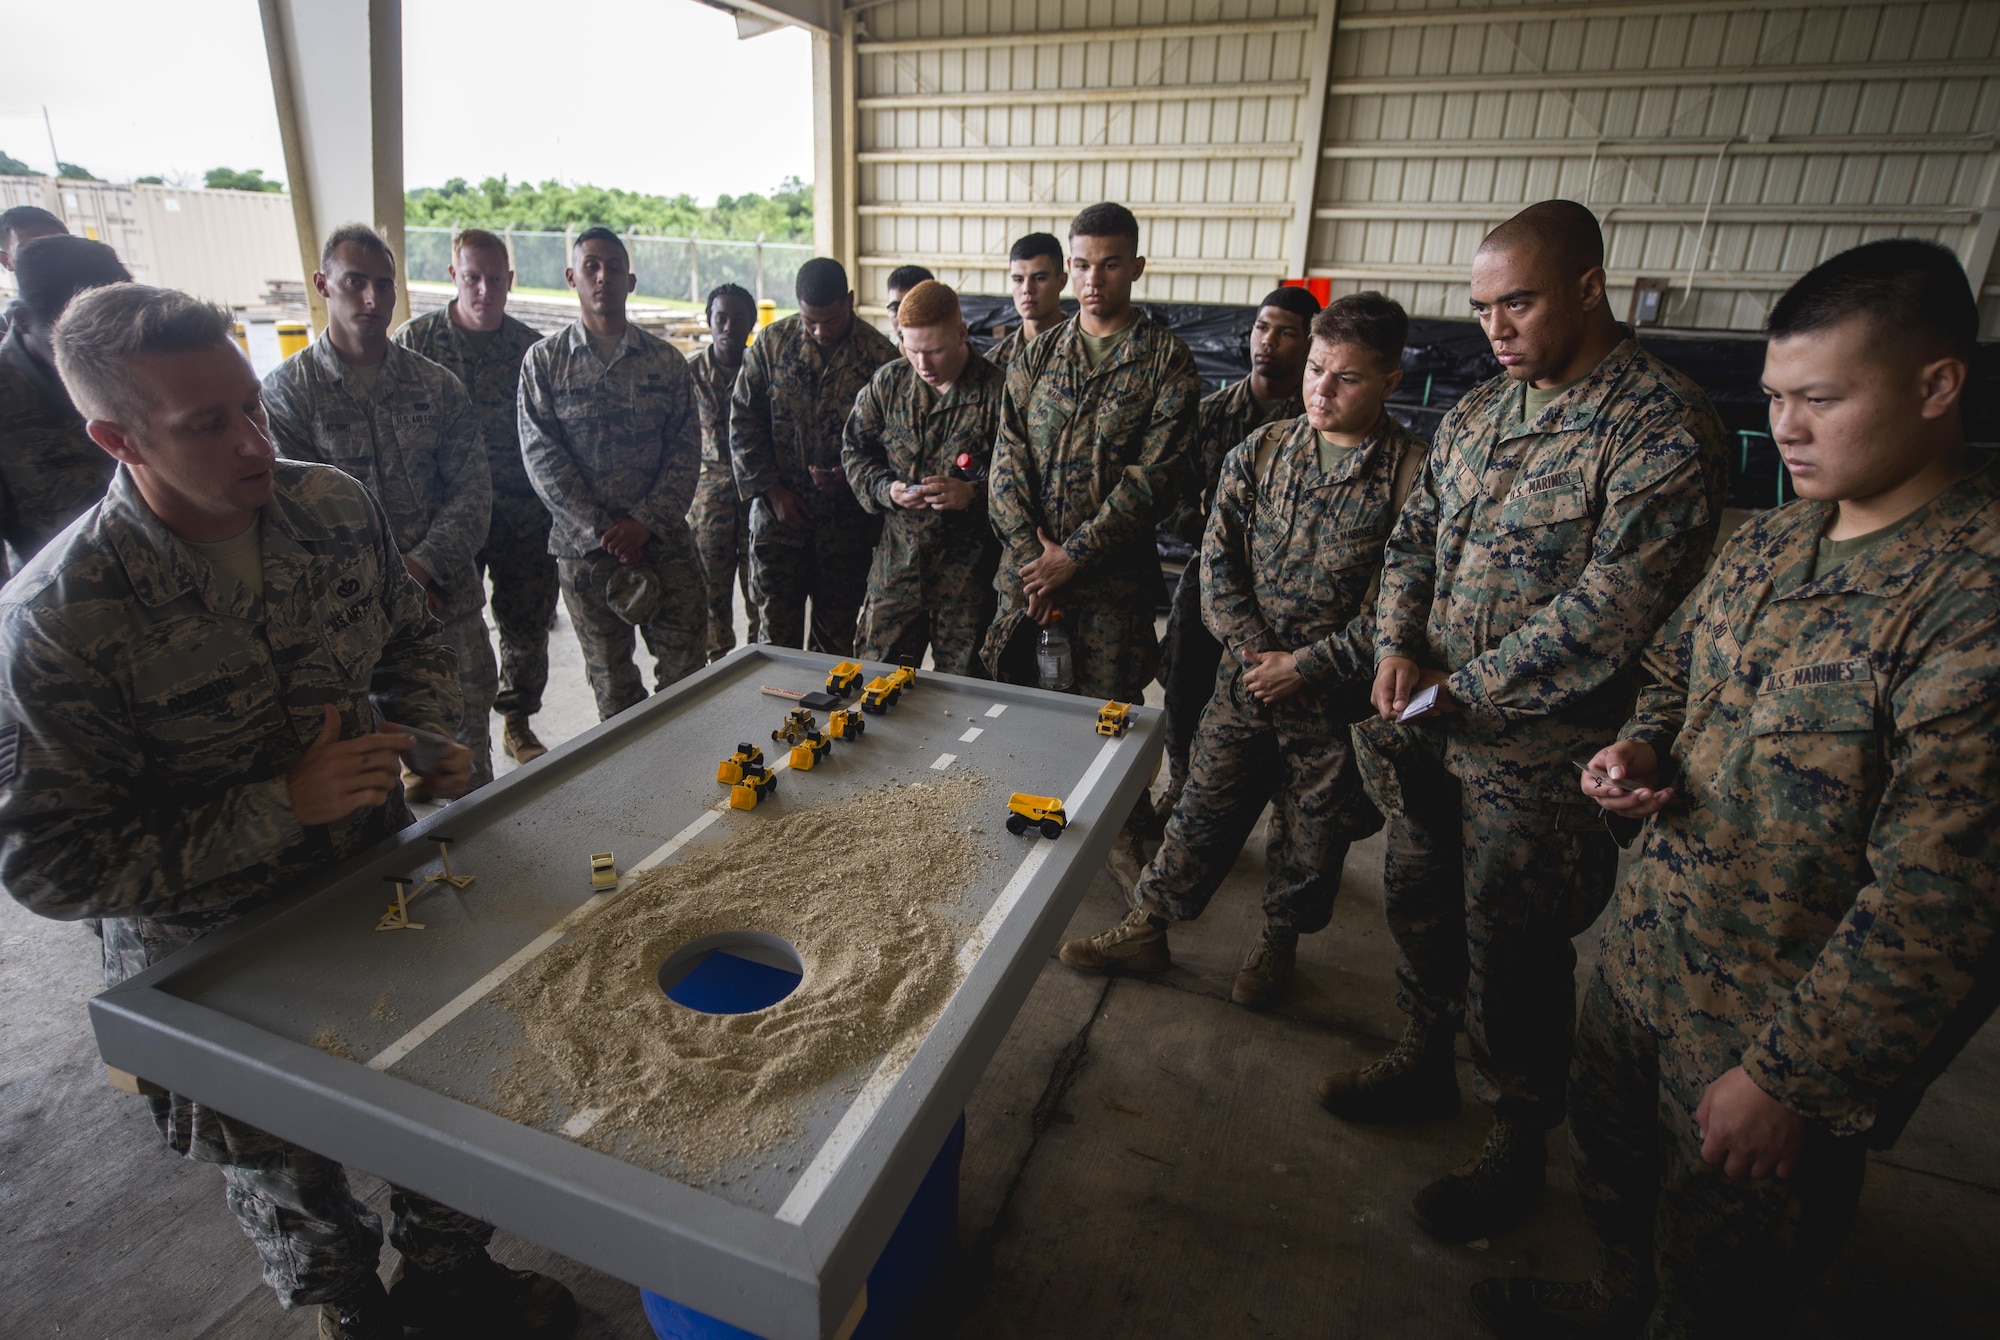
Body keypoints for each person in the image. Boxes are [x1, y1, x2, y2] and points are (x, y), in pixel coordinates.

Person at [0, 282, 573, 1340]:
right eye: (206, 424)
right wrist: (278, 807)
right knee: (290, 1181)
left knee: (446, 1111)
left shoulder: (332, 508)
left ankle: (453, 1281)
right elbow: (51, 864)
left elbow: (412, 645)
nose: (253, 441)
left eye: (250, 405)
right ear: (116, 437)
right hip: (211, 956)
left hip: (376, 891)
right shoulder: (59, 619)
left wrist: (434, 738)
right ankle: (351, 1317)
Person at [1473, 240, 2000, 1339]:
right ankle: (1616, 1298)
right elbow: (1671, 672)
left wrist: (1792, 1077)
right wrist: (1644, 751)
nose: (1786, 429)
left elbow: (1942, 901)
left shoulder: (1968, 599)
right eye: (1772, 397)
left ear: (1936, 384)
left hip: (1770, 1021)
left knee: (1724, 1268)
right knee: (1613, 1183)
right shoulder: (1768, 542)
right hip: (1648, 954)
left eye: (1819, 398)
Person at [1318, 200, 1729, 1247]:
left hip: (1542, 755)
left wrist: (1464, 685)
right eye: (1480, 307)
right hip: (1428, 722)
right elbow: (1412, 537)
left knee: (1516, 945)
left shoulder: (1657, 425)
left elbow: (1612, 610)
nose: (1494, 327)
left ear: (1588, 286)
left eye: (1518, 302)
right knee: (1416, 893)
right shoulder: (1476, 413)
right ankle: (1421, 1053)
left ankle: (1516, 1126)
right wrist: (1399, 641)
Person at [1061, 293, 1426, 1008]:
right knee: (1202, 808)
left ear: (1389, 380)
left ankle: (1277, 945)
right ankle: (1149, 924)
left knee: (1309, 834)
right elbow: (1216, 565)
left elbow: (1400, 602)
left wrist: (1307, 666)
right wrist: (1259, 653)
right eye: (1316, 368)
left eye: (1345, 378)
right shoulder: (1259, 451)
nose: (1320, 388)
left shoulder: (1414, 476)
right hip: (1247, 680)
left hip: (1331, 698)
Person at [982, 202, 1201, 882]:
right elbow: (1006, 464)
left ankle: (1127, 859)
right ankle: (1029, 854)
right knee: (1024, 720)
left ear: (1136, 267)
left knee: (1111, 730)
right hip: (1028, 584)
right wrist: (1033, 564)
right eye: (1081, 265)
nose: (1092, 279)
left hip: (1109, 591)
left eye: (1109, 265)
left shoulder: (1165, 360)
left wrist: (1069, 557)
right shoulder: (1037, 353)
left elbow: (1154, 479)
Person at [263, 225, 496, 795]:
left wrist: (418, 571)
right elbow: (293, 519)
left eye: (384, 286)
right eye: (355, 282)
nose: (371, 299)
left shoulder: (436, 388)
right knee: (361, 773)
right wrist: (389, 586)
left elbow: (471, 493)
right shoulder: (287, 395)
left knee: (465, 762)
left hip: (445, 609)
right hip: (344, 621)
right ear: (322, 285)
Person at [519, 226, 706, 720]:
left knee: (687, 679)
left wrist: (643, 522)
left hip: (663, 544)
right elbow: (542, 458)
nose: (603, 277)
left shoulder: (666, 363)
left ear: (631, 280)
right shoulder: (544, 363)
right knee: (613, 689)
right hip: (587, 557)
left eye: (614, 267)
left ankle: (690, 780)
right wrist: (604, 530)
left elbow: (686, 452)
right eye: (591, 267)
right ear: (572, 278)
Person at [1154, 285, 1322, 827]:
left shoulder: (1320, 423)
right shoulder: (1210, 415)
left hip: (1288, 599)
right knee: (1183, 688)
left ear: (1310, 341)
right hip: (1206, 583)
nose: (1268, 342)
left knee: (1279, 709)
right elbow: (1171, 500)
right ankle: (1180, 783)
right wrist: (1209, 521)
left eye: (1286, 332)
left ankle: (1280, 816)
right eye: (1261, 327)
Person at [393, 228, 554, 765]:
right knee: (443, 634)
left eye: (494, 279)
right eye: (471, 277)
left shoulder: (532, 350)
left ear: (510, 281)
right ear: (453, 276)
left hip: (520, 515)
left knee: (526, 624)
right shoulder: (415, 345)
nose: (484, 289)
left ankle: (517, 719)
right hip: (445, 521)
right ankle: (447, 740)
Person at [730, 257, 900, 653]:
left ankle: (828, 716)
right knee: (774, 642)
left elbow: (895, 441)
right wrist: (773, 493)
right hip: (779, 524)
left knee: (836, 643)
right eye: (811, 322)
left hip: (847, 529)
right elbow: (743, 422)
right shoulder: (772, 346)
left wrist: (854, 476)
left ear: (851, 301)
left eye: (832, 320)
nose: (821, 331)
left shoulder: (879, 357)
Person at [841, 279, 1003, 675]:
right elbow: (854, 451)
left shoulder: (999, 394)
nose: (923, 364)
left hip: (966, 580)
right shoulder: (889, 384)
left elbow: (1022, 480)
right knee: (876, 683)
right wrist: (887, 489)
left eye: (934, 350)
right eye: (911, 350)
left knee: (965, 697)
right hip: (897, 570)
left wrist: (972, 493)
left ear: (962, 334)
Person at [0, 236, 125, 577]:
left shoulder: (143, 363)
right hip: (69, 608)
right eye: (76, 337)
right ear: (23, 320)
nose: (103, 355)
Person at [686, 282, 760, 660]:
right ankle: (717, 664)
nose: (729, 326)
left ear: (752, 322)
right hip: (707, 503)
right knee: (710, 594)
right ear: (708, 320)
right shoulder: (689, 374)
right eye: (721, 317)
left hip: (754, 500)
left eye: (738, 318)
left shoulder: (761, 370)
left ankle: (759, 661)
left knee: (758, 590)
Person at [987, 232, 1068, 372]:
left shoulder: (1085, 352)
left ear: (1061, 282)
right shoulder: (994, 364)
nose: (1027, 289)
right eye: (1018, 280)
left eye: (1039, 278)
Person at [0, 204, 68, 342]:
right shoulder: (3, 333)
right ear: (6, 261)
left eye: (57, 245)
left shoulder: (99, 309)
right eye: (29, 249)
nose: (46, 257)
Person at [885, 263, 935, 344]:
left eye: (914, 309)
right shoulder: (877, 355)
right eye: (895, 309)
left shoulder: (955, 355)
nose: (904, 319)